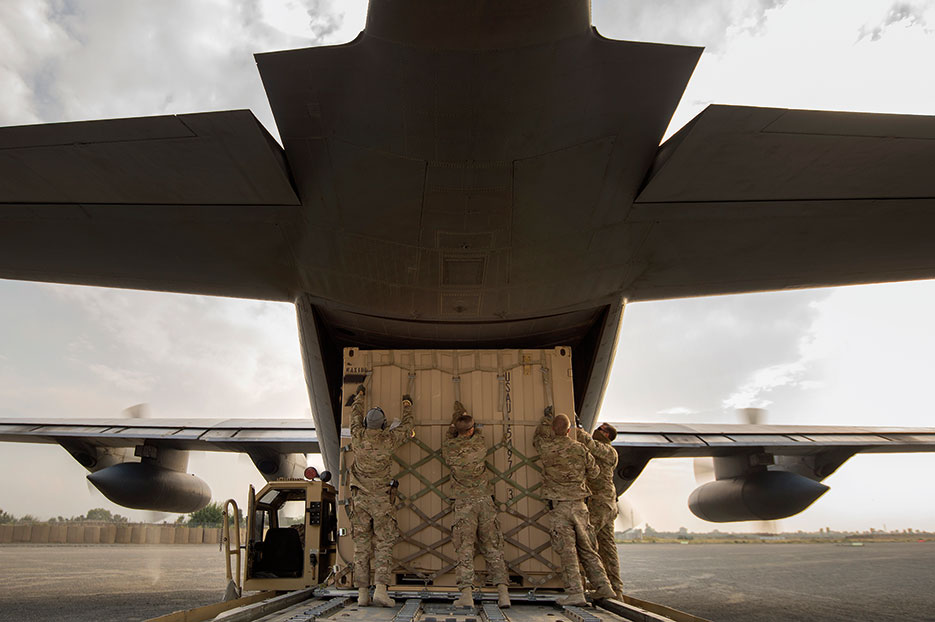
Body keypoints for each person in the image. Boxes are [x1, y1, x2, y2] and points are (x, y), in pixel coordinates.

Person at [533, 406, 616, 606]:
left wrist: (545, 421)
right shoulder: (580, 449)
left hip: (560, 506)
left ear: (554, 429)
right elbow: (595, 473)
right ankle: (604, 586)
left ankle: (576, 593)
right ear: (569, 431)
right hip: (580, 506)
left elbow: (537, 440)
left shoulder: (547, 448)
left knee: (568, 550)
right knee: (588, 548)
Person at [348, 384, 414, 607]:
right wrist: (407, 405)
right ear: (384, 425)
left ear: (366, 424)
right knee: (383, 544)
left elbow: (354, 415)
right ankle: (382, 590)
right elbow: (407, 427)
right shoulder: (388, 440)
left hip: (360, 503)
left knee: (361, 546)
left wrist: (360, 396)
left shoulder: (357, 436)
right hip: (382, 501)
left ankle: (362, 594)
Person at [441, 401, 511, 609]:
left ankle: (466, 595)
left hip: (464, 504)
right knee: (493, 547)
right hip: (484, 501)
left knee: (464, 548)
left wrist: (455, 420)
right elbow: (474, 432)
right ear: (472, 429)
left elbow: (449, 435)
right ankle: (503, 593)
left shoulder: (450, 448)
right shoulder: (480, 444)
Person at [576, 423, 624, 599]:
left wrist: (578, 430)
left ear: (607, 435)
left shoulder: (608, 451)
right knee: (607, 548)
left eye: (601, 429)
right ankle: (616, 590)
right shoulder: (602, 450)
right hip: (605, 504)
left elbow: (590, 445)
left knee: (584, 541)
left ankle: (598, 585)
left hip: (600, 504)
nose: (597, 430)